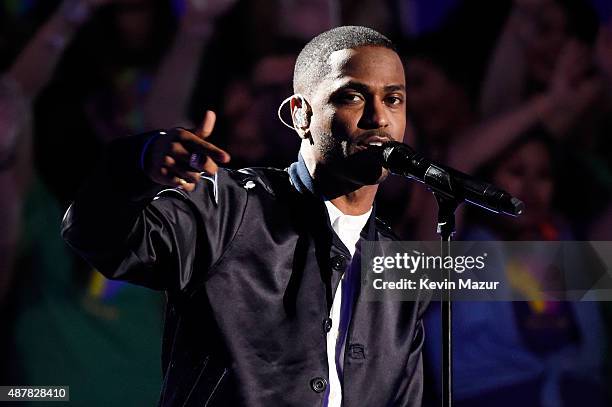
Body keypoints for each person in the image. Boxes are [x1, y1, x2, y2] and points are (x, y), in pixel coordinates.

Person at [61, 26, 429, 406]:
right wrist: (140, 161)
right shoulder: (229, 209)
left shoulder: (399, 265)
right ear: (300, 114)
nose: (378, 117)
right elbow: (95, 236)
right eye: (353, 96)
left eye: (394, 99)